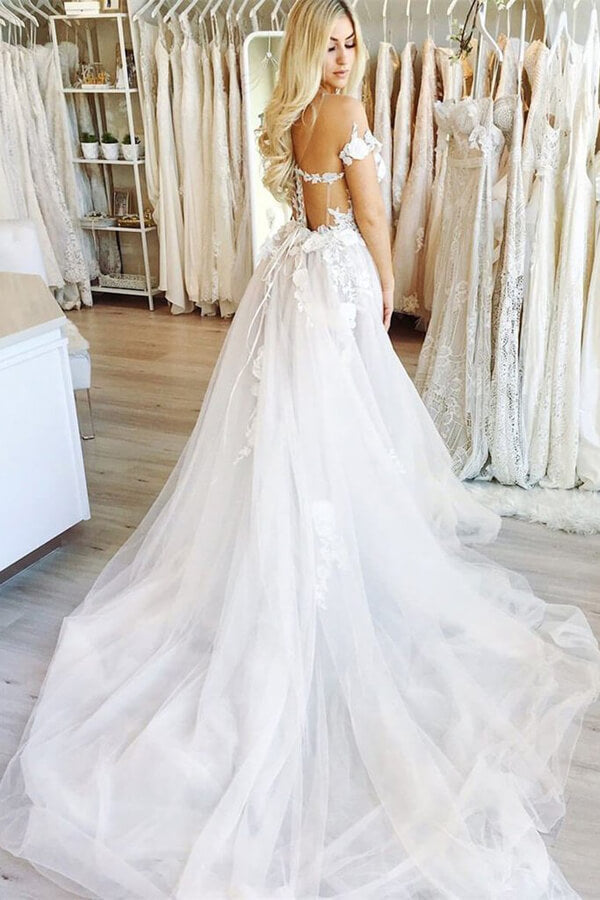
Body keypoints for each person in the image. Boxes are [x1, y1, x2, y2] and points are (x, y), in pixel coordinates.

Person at [0, 1, 598, 897]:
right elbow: (373, 217)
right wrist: (387, 291)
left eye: (353, 44)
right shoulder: (348, 112)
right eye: (333, 45)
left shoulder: (293, 113)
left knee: (295, 422)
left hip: (292, 273)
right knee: (341, 421)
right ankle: (342, 568)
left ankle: (304, 549)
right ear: (310, 51)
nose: (347, 57)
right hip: (337, 277)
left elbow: (309, 207)